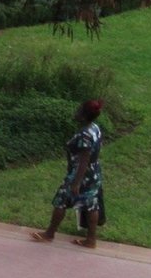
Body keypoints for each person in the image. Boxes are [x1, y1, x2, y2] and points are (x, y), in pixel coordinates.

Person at [32, 100, 105, 248]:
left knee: (61, 200)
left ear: (84, 115)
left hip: (80, 173)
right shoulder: (94, 128)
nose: (76, 112)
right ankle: (91, 240)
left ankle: (49, 233)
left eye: (79, 110)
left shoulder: (84, 135)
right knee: (92, 204)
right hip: (94, 172)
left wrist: (76, 182)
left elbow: (84, 160)